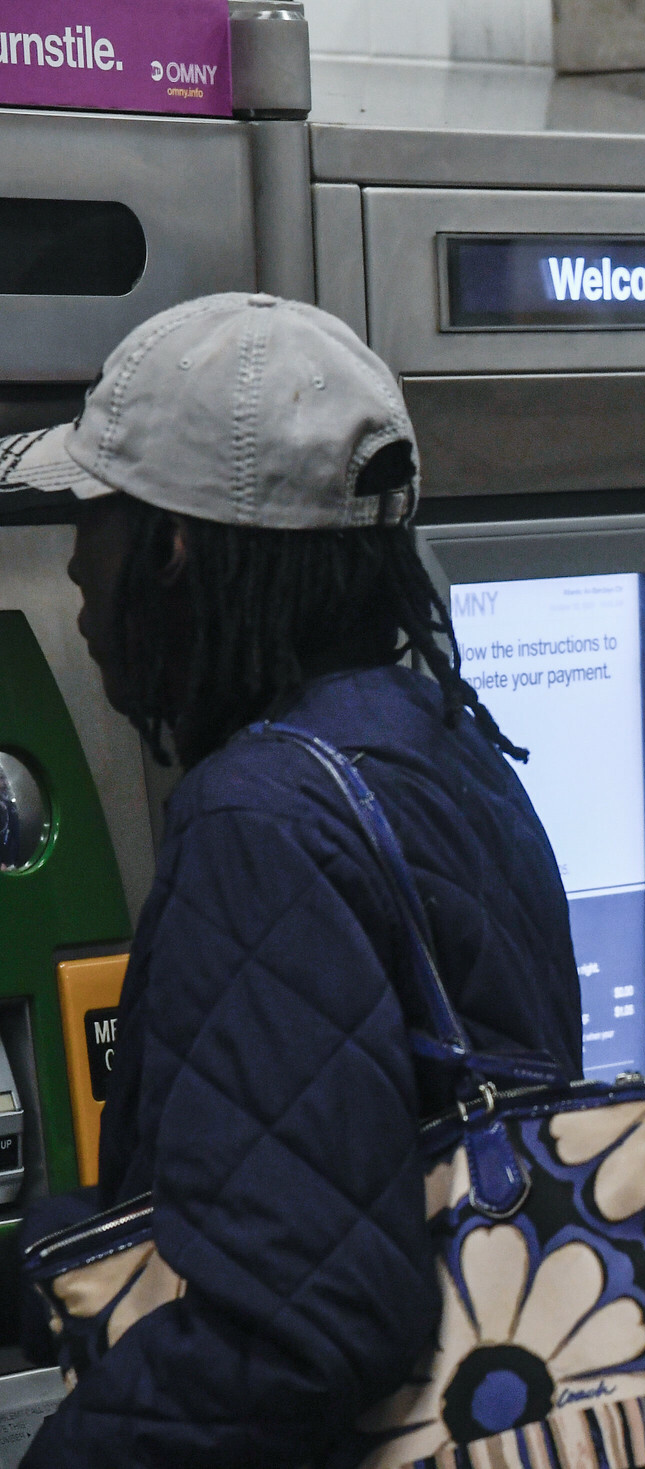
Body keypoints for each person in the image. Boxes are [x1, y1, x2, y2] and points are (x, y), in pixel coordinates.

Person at [0, 293, 581, 1467]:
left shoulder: (259, 821)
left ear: (171, 548)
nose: (72, 566)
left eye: (95, 519)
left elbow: (299, 1324)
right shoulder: (440, 750)